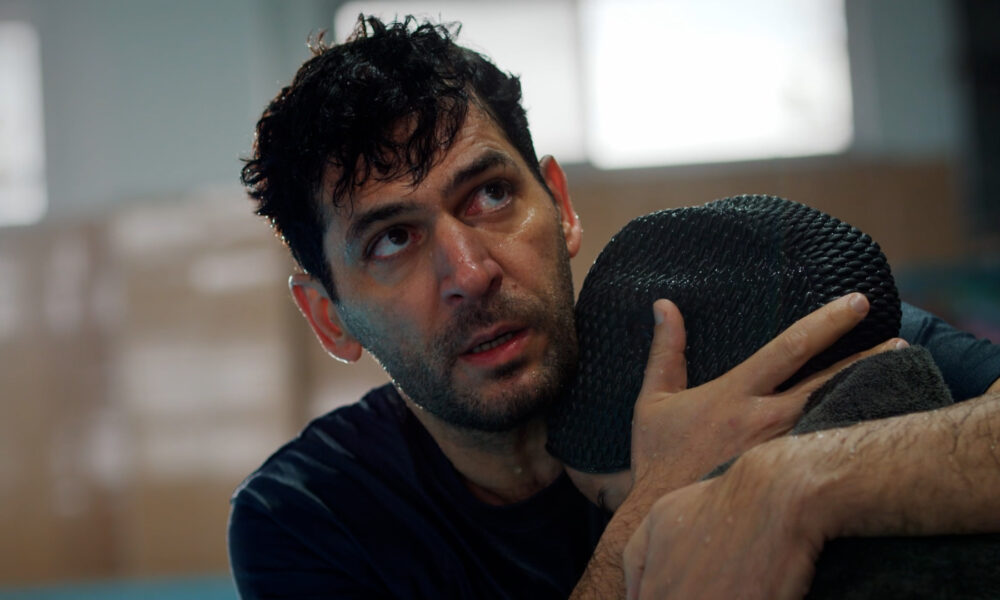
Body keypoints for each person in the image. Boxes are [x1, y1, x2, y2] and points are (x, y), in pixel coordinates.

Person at [228, 15, 1000, 599]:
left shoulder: (725, 314)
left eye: (490, 195)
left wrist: (792, 484)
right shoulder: (308, 518)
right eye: (392, 239)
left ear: (560, 206)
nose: (470, 272)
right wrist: (660, 501)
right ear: (330, 318)